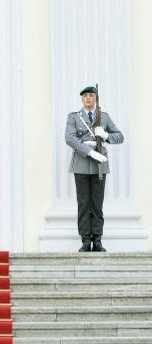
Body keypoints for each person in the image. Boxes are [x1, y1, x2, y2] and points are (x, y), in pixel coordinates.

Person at [65, 85, 124, 252]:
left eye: (91, 95)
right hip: (82, 163)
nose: (88, 98)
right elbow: (69, 138)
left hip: (100, 165)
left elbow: (119, 136)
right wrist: (89, 151)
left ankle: (97, 239)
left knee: (97, 204)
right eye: (85, 96)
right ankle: (85, 240)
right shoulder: (74, 117)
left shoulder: (103, 117)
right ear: (82, 99)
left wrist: (105, 135)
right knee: (83, 203)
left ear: (95, 98)